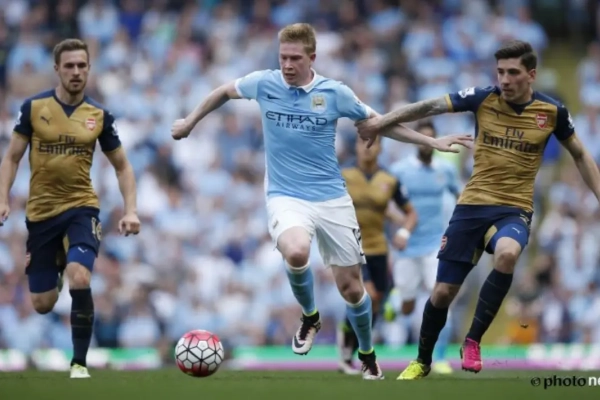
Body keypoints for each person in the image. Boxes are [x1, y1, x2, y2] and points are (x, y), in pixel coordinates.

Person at [170, 23, 471, 380]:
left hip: (331, 199)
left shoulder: (334, 93)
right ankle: (310, 316)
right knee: (297, 251)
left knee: (353, 289)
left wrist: (431, 143)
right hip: (285, 194)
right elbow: (223, 91)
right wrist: (190, 121)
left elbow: (380, 123)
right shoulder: (264, 83)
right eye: (283, 57)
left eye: (295, 58)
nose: (287, 65)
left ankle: (366, 352)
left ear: (312, 57)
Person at [356, 40, 600, 379]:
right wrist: (381, 122)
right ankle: (423, 360)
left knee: (507, 254)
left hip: (514, 209)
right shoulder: (482, 98)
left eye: (513, 72)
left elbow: (580, 154)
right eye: (500, 72)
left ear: (531, 75)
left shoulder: (552, 112)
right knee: (443, 293)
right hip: (471, 207)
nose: (505, 80)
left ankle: (472, 340)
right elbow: (429, 106)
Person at [0, 39, 140, 379]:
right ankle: (58, 266)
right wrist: (3, 198)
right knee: (42, 303)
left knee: (81, 277)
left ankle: (79, 363)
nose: (76, 72)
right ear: (57, 69)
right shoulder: (33, 108)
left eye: (81, 66)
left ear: (89, 69)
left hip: (81, 208)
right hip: (41, 215)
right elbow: (12, 157)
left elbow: (122, 166)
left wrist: (130, 210)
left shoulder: (99, 116)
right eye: (69, 66)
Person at [337, 135, 417, 375]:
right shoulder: (344, 175)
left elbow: (410, 213)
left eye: (372, 143)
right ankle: (362, 353)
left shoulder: (389, 179)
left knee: (375, 303)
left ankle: (348, 348)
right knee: (368, 296)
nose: (367, 148)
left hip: (379, 249)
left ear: (381, 148)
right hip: (352, 247)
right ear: (356, 146)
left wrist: (404, 231)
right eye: (362, 143)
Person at [389, 120, 461, 375]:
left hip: (435, 245)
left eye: (432, 138)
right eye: (424, 139)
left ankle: (439, 357)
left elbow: (460, 197)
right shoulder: (400, 170)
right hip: (408, 246)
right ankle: (395, 301)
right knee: (407, 306)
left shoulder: (445, 170)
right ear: (417, 141)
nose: (428, 144)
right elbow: (385, 203)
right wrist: (402, 226)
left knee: (441, 296)